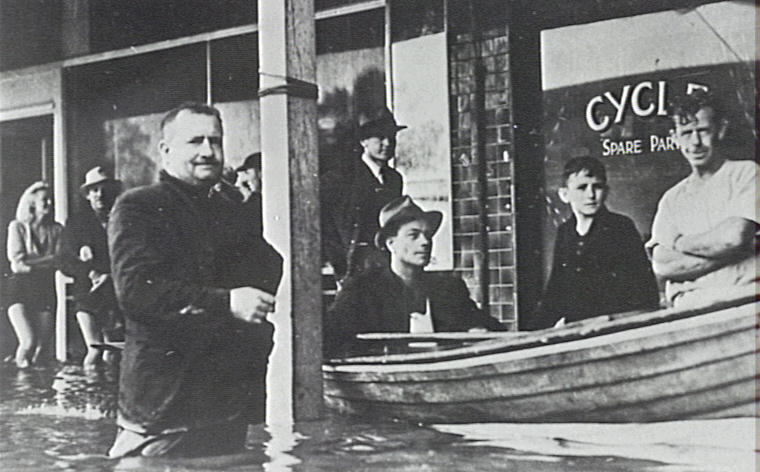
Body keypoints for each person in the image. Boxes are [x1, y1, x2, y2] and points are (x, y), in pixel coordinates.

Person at [107, 103, 283, 458]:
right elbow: (137, 291)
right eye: (195, 141)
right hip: (164, 407)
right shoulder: (138, 207)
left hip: (226, 402)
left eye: (215, 142)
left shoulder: (229, 210)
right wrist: (227, 302)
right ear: (165, 150)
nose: (208, 151)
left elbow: (269, 267)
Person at [324, 195, 504, 357]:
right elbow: (330, 339)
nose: (425, 242)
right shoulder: (363, 289)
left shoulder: (448, 288)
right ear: (391, 243)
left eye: (428, 236)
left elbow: (492, 329)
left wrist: (478, 330)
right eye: (414, 235)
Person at [647, 90, 758, 308]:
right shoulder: (671, 200)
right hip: (690, 312)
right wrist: (739, 251)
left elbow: (732, 238)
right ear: (674, 138)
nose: (695, 142)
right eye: (687, 132)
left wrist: (680, 243)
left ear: (721, 129)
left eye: (703, 130)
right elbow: (663, 265)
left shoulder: (746, 174)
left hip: (746, 305)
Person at [530, 157, 659, 330]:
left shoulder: (620, 228)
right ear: (564, 194)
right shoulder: (565, 232)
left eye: (597, 187)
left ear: (606, 191)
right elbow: (555, 291)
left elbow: (643, 293)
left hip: (613, 329)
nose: (590, 195)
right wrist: (529, 334)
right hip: (576, 330)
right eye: (582, 188)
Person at [321, 107, 406, 283]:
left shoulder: (394, 179)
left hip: (387, 267)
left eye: (392, 137)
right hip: (353, 269)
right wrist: (340, 268)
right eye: (380, 137)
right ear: (363, 141)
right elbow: (327, 228)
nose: (388, 143)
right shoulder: (341, 177)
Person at [58, 166, 123, 369]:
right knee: (95, 350)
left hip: (117, 294)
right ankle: (89, 396)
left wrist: (111, 276)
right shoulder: (77, 223)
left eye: (105, 189)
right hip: (89, 294)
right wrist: (91, 273)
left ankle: (108, 399)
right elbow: (64, 261)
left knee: (113, 354)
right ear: (87, 195)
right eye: (94, 190)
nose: (100, 195)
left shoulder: (124, 219)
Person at [5, 181, 63, 368]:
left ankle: (38, 392)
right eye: (44, 200)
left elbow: (59, 260)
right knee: (28, 342)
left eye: (51, 200)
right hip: (20, 289)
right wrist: (47, 260)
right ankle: (20, 387)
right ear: (32, 204)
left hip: (45, 289)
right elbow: (17, 264)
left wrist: (33, 261)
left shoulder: (57, 229)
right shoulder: (17, 227)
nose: (49, 204)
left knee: (42, 349)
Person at [235, 152, 263, 235]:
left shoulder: (256, 201)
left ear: (260, 173)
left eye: (247, 173)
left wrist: (252, 196)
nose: (246, 179)